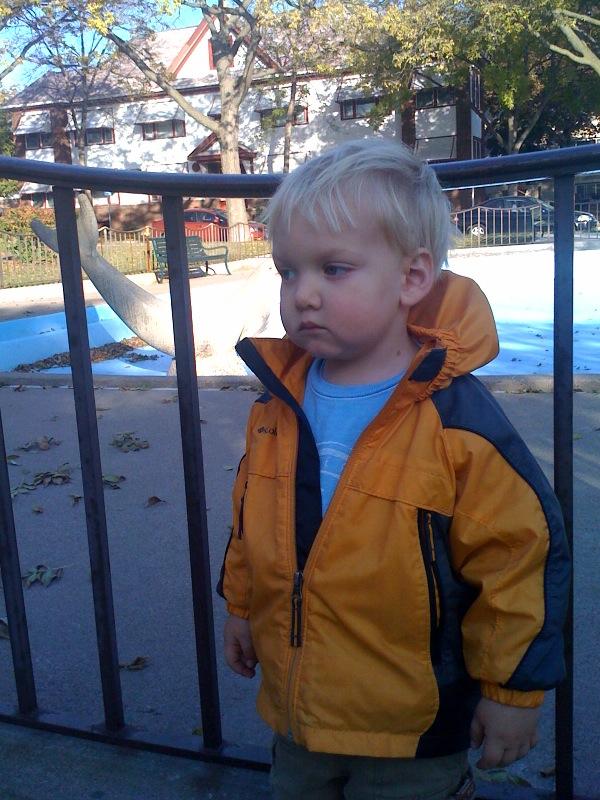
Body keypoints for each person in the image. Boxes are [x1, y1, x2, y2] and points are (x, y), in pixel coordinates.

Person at [217, 139, 570, 800]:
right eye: (289, 272)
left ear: (412, 278)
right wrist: (241, 607)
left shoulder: (454, 421)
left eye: (334, 269)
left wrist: (512, 691)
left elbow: (517, 559)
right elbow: (251, 519)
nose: (303, 295)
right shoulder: (278, 402)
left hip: (411, 730)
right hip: (299, 714)